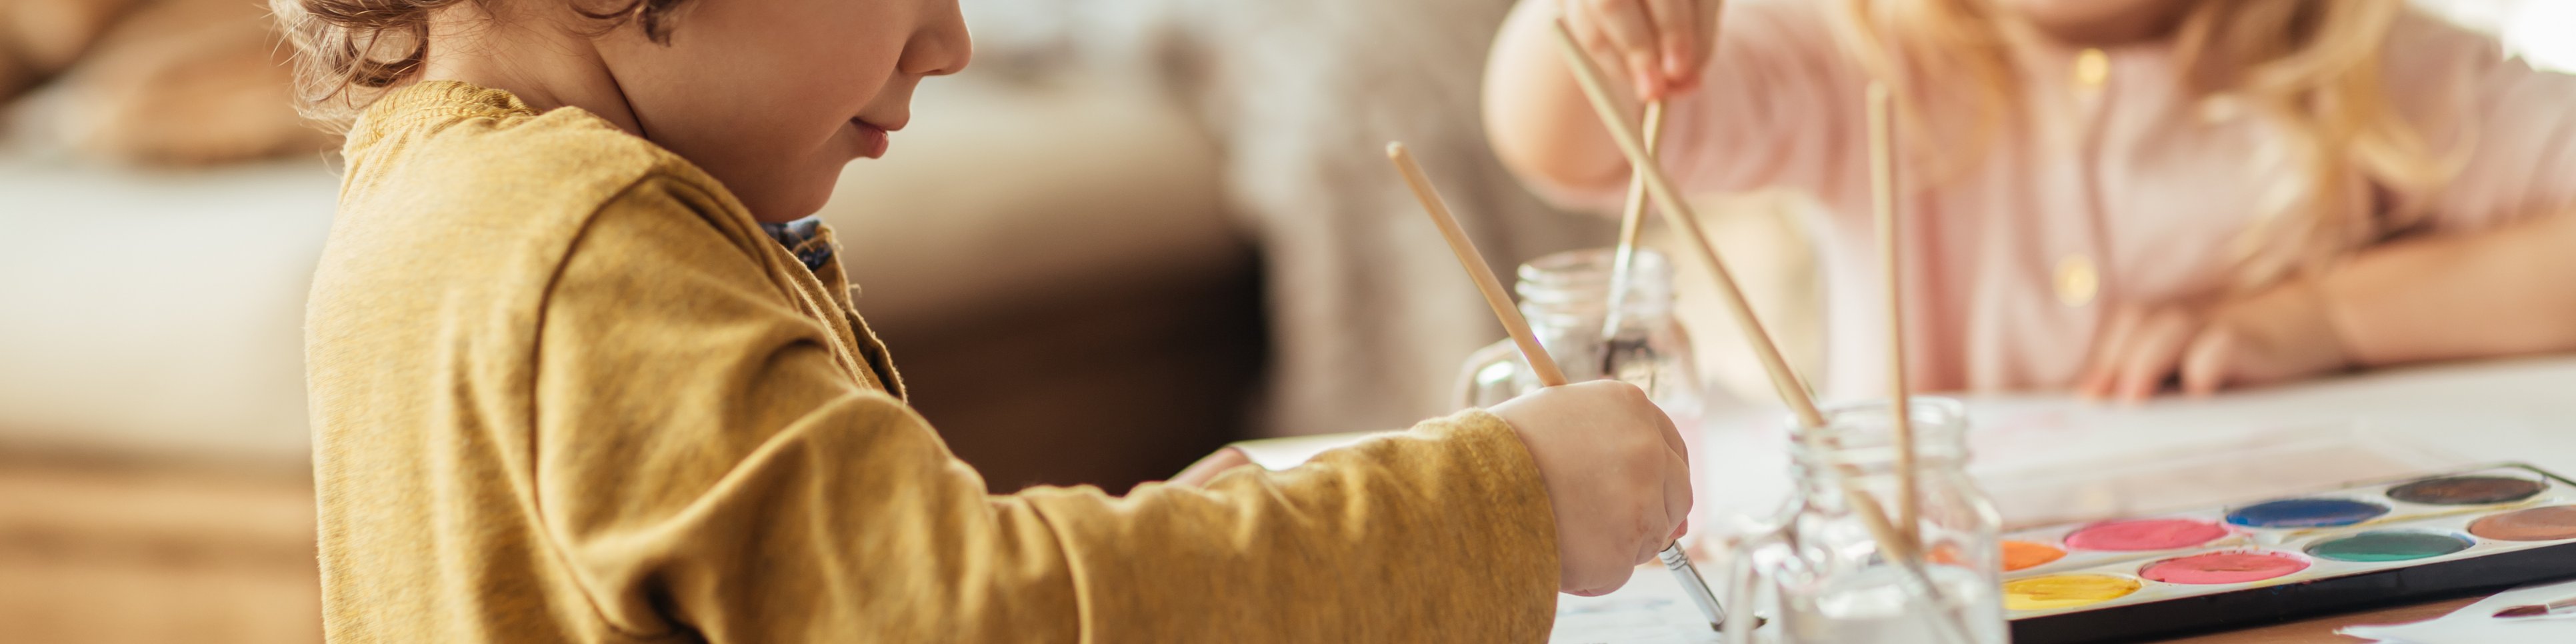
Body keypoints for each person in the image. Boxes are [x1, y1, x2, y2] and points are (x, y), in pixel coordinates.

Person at [273, 0, 1695, 639]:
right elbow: (962, 623)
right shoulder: (582, 243)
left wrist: (1169, 552)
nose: (952, 40)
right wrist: (1496, 507)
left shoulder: (446, 203)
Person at [1486, 0, 2576, 403]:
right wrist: (1591, 20)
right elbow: (1567, 141)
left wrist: (2332, 317)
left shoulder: (2374, 63)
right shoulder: (1855, 45)